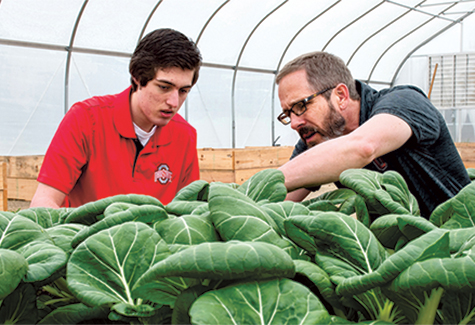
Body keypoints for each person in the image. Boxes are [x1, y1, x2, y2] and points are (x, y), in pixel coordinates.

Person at [276, 51, 470, 219]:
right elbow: (276, 198)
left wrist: (270, 180)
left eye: (301, 106)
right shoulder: (318, 138)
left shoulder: (405, 102)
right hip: (395, 252)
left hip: (462, 240)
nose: (294, 123)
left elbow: (362, 147)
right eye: (287, 114)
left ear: (341, 96)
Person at [30, 28, 202, 208]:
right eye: (164, 87)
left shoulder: (185, 136)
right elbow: (44, 200)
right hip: (83, 236)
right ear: (137, 78)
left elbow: (188, 210)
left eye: (183, 91)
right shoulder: (86, 119)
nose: (174, 102)